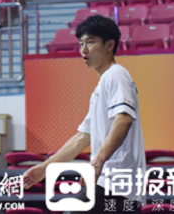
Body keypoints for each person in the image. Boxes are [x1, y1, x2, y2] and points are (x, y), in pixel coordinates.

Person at [22, 15, 146, 213]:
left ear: (109, 45)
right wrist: (45, 168)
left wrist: (97, 162)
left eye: (91, 42)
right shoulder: (101, 87)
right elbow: (82, 138)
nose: (84, 50)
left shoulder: (116, 75)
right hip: (106, 185)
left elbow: (123, 120)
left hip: (116, 186)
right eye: (81, 44)